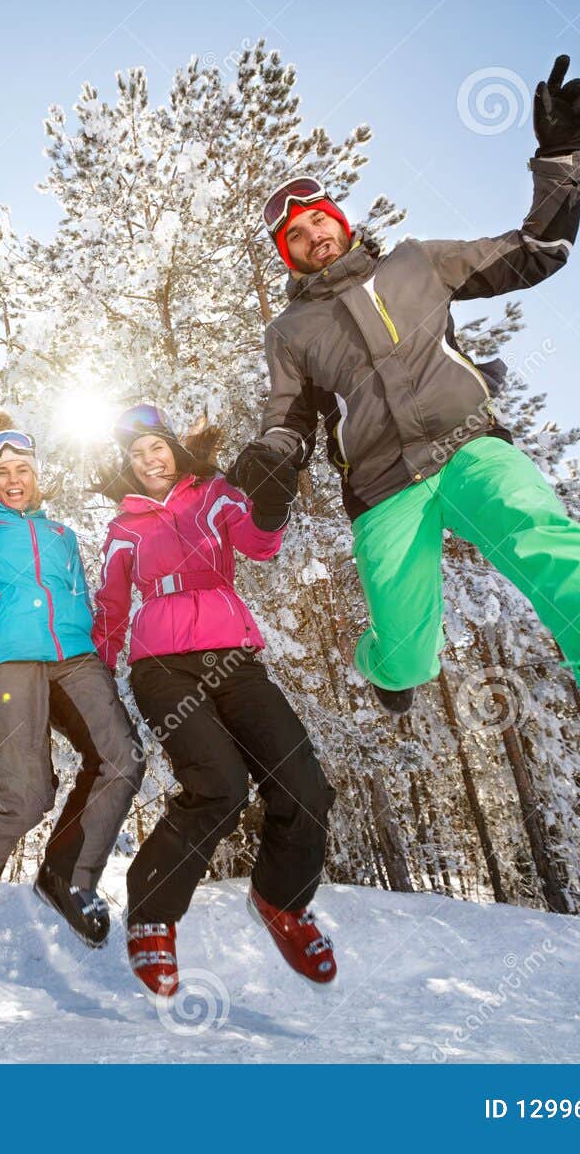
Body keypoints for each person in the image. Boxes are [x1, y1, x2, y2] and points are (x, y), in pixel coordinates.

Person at [230, 55, 580, 839]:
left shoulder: (418, 262)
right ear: (288, 254)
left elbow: (534, 251)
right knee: (409, 654)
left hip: (470, 448)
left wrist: (560, 162)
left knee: (548, 541)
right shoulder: (289, 331)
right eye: (296, 235)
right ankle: (387, 668)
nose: (313, 234)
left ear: (342, 220)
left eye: (320, 219)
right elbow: (287, 417)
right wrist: (273, 459)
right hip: (385, 490)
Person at [93, 405, 337, 998]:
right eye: (136, 454)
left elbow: (258, 545)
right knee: (219, 787)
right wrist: (95, 682)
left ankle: (282, 901)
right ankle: (151, 914)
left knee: (305, 786)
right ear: (126, 467)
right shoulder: (124, 528)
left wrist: (273, 503)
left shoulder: (217, 495)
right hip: (161, 669)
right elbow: (110, 606)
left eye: (157, 447)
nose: (150, 460)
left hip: (235, 661)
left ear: (175, 449)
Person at [0, 413, 145, 947]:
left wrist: (104, 659)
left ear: (37, 474)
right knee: (25, 792)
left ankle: (69, 877)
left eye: (22, 468)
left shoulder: (62, 535)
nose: (13, 479)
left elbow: (85, 601)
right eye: (1, 473)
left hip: (74, 659)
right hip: (6, 660)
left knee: (122, 760)